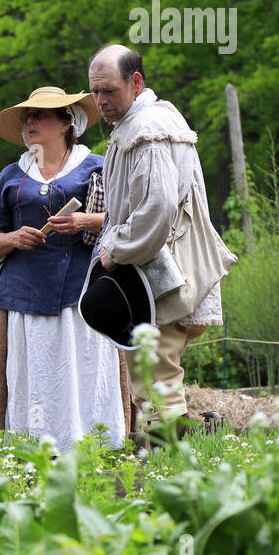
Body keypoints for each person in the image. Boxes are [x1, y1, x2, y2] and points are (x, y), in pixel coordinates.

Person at [85, 44, 237, 438]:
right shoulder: (142, 124)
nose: (100, 101)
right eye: (95, 91)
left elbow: (156, 210)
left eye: (109, 91)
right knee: (151, 362)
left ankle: (170, 453)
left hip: (165, 269)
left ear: (135, 82)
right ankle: (168, 448)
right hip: (157, 264)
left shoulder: (148, 133)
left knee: (156, 361)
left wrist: (115, 250)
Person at [0, 85, 127, 452]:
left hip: (84, 295)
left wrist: (85, 222)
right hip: (24, 296)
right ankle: (34, 454)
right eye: (27, 116)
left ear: (66, 122)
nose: (30, 122)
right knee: (36, 376)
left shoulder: (98, 166)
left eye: (39, 115)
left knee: (84, 374)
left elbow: (126, 220)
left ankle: (92, 451)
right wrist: (12, 239)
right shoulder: (11, 175)